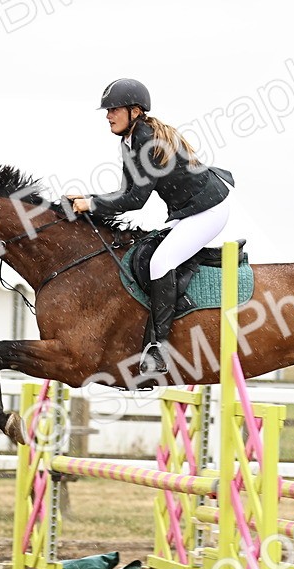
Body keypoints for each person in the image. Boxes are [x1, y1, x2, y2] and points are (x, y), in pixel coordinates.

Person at [68, 78, 234, 378]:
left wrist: (90, 204)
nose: (108, 116)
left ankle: (159, 349)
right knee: (145, 255)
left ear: (134, 111)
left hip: (209, 209)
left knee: (161, 261)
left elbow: (135, 200)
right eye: (107, 111)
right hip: (188, 210)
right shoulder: (128, 141)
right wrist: (89, 199)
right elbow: (126, 191)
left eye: (113, 109)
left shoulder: (147, 140)